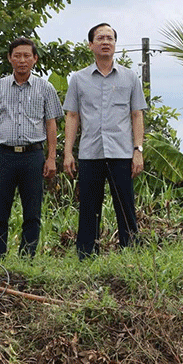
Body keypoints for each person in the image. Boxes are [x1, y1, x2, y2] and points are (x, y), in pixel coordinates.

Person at [63, 23, 145, 258]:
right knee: (89, 207)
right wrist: (68, 153)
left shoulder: (130, 77)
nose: (105, 42)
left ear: (115, 44)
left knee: (125, 206)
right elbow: (72, 116)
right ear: (91, 45)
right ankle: (86, 256)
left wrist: (138, 149)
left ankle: (130, 255)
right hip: (90, 153)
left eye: (110, 38)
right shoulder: (78, 79)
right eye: (100, 38)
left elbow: (137, 114)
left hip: (122, 153)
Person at [0, 37, 61, 261]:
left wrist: (51, 158)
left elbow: (51, 123)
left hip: (33, 156)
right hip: (5, 155)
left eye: (27, 56)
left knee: (32, 213)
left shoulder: (46, 88)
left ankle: (27, 259)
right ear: (9, 58)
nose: (22, 60)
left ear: (35, 59)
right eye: (17, 55)